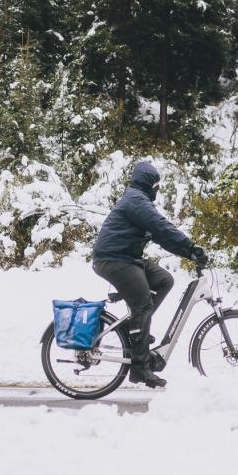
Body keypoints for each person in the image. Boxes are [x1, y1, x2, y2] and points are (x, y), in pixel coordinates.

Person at [92, 161, 206, 388]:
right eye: (156, 185)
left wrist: (189, 252)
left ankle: (134, 329)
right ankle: (139, 369)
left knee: (165, 280)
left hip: (126, 257)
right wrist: (191, 246)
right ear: (148, 184)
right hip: (113, 259)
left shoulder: (138, 201)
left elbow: (162, 237)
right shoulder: (136, 201)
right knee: (143, 304)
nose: (157, 189)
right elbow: (161, 227)